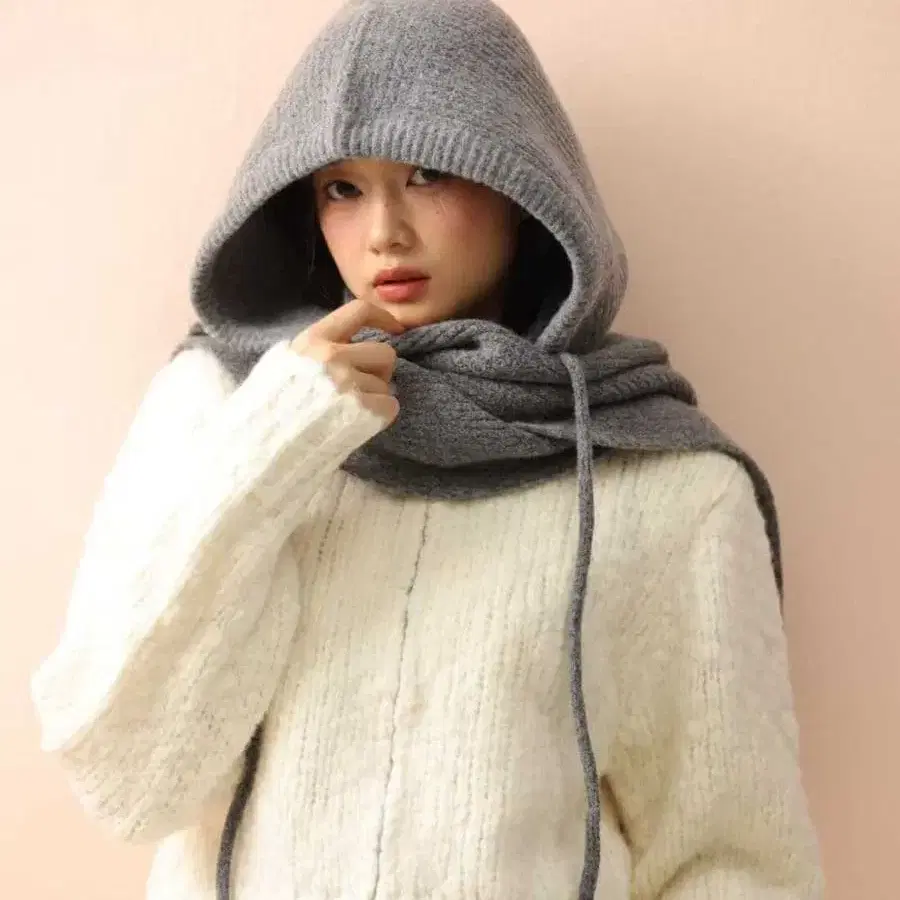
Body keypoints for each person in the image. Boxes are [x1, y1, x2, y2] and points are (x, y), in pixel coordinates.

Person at [31, 1, 824, 898]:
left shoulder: (669, 482)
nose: (384, 233)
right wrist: (273, 450)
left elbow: (733, 857)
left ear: (520, 184)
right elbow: (124, 785)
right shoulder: (215, 412)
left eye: (429, 172)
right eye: (342, 188)